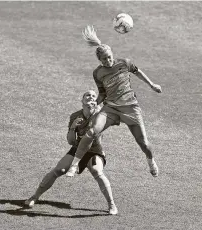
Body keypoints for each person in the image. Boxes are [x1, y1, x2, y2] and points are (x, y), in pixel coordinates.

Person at [66, 25, 162, 178]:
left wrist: (152, 85)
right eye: (104, 59)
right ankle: (74, 165)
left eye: (110, 57)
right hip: (110, 108)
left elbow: (138, 72)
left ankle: (151, 161)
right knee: (91, 131)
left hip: (130, 107)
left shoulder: (124, 63)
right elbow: (102, 93)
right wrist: (94, 104)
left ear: (113, 54)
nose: (108, 60)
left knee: (143, 143)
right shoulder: (98, 73)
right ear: (99, 60)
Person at [24, 90, 119, 215]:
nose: (90, 96)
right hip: (77, 149)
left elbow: (113, 121)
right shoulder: (75, 116)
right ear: (82, 100)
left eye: (93, 95)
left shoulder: (101, 115)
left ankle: (112, 204)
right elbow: (70, 141)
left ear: (96, 101)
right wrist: (73, 127)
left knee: (97, 171)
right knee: (58, 170)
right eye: (87, 95)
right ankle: (34, 197)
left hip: (94, 151)